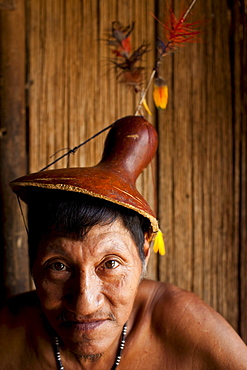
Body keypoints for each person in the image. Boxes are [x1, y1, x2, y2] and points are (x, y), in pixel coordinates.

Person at [0, 116, 246, 369]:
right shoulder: (9, 332)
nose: (85, 305)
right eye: (58, 266)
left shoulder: (183, 324)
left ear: (144, 253)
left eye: (110, 263)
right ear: (32, 262)